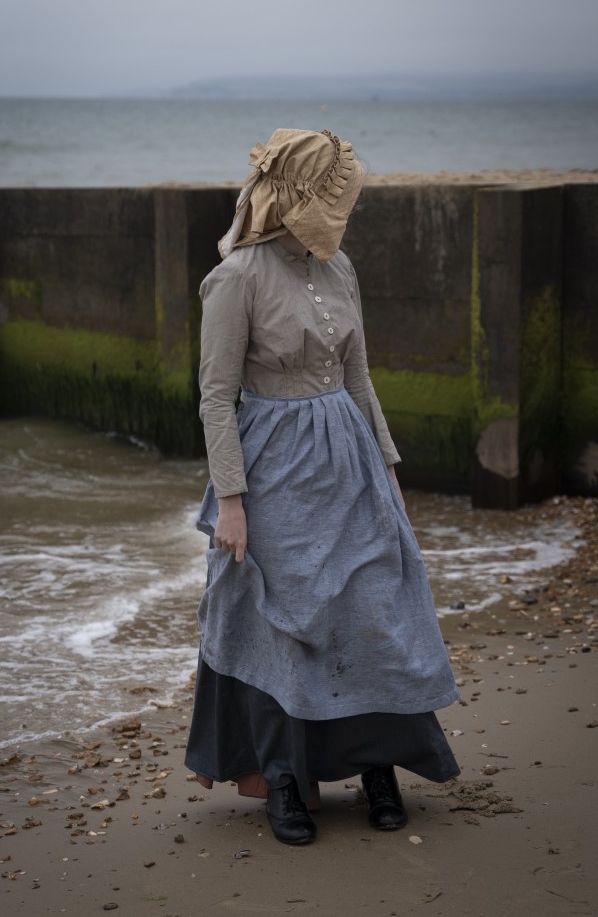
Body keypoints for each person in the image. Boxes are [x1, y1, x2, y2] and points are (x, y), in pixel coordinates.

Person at [185, 128, 459, 845]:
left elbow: (360, 377)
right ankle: (284, 782)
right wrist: (233, 505)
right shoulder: (236, 277)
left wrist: (389, 470)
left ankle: (379, 768)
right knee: (285, 627)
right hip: (272, 467)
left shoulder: (341, 268)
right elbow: (216, 398)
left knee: (373, 610)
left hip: (350, 458)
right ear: (303, 196)